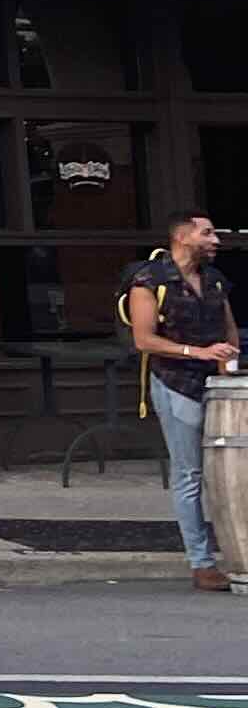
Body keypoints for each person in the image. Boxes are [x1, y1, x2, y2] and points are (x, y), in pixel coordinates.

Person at [125, 212, 238, 594]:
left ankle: (235, 550)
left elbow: (228, 328)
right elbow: (144, 340)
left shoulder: (215, 280)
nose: (216, 240)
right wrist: (199, 352)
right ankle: (202, 563)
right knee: (190, 474)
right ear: (182, 237)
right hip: (176, 383)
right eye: (207, 233)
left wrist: (228, 367)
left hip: (216, 387)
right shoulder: (149, 280)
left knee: (227, 469)